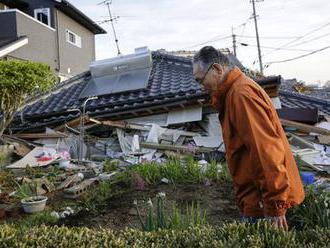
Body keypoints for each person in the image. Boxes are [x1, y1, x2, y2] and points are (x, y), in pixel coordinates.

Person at [192, 46, 305, 230]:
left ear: (217, 70)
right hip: (258, 199)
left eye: (200, 80)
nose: (201, 87)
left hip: (262, 204)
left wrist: (275, 205)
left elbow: (266, 151)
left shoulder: (241, 95)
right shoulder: (234, 93)